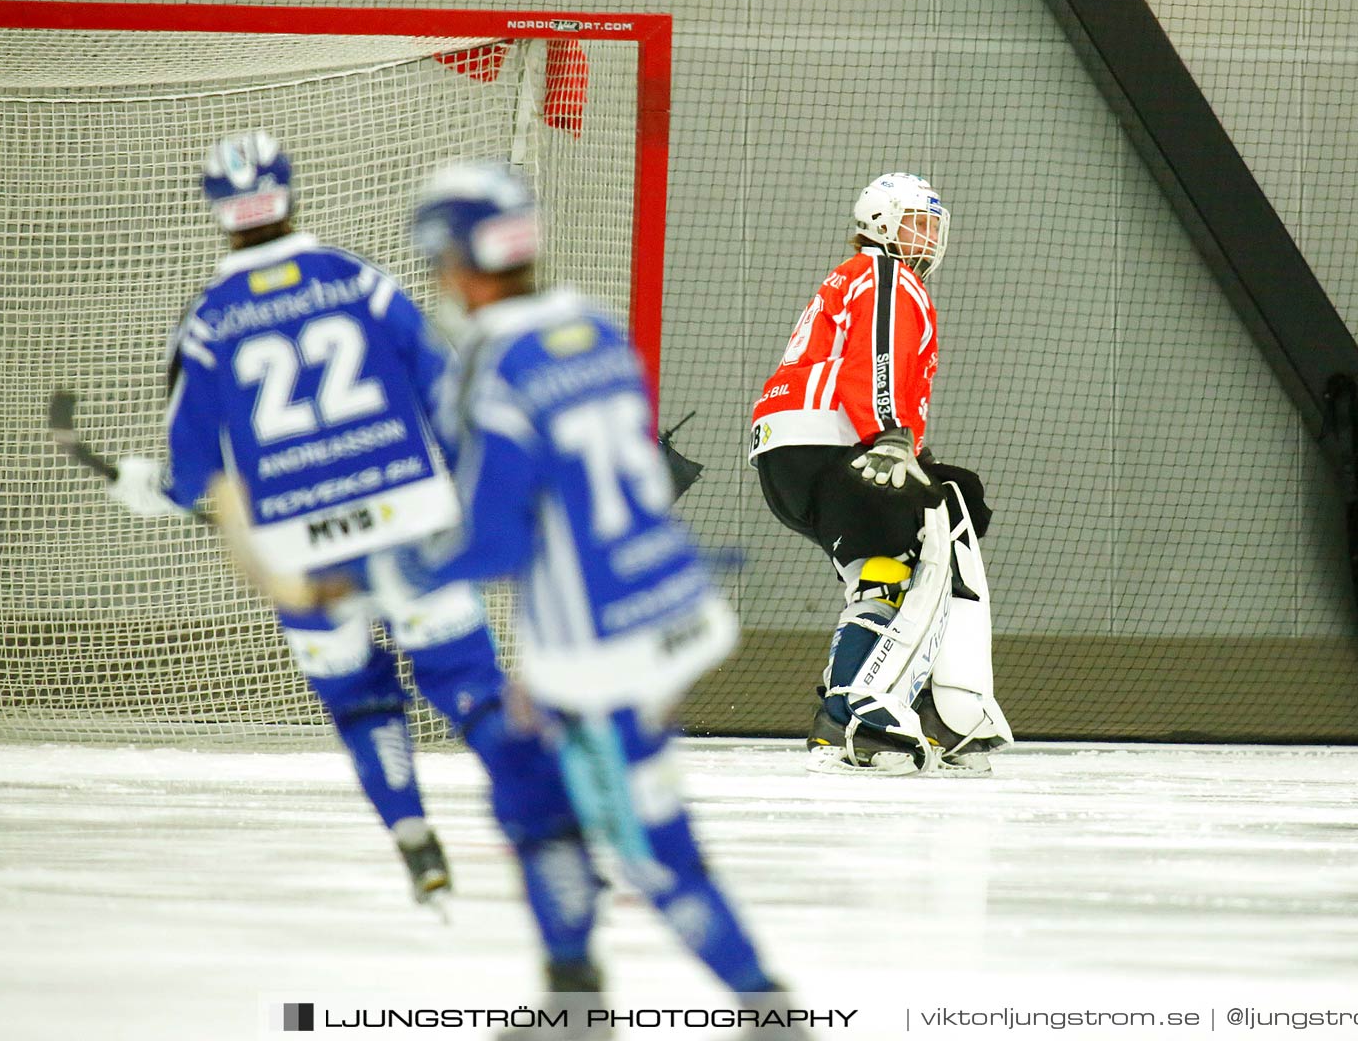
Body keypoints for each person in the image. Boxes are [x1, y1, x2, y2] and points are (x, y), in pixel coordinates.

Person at [347, 160, 795, 1034]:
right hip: (664, 606)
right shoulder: (591, 328)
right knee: (533, 797)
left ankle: (769, 1013)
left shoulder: (491, 360)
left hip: (602, 649)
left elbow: (498, 537)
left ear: (457, 258)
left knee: (648, 850)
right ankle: (571, 994)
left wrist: (399, 574)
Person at [103, 131, 570, 911]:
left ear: (218, 208)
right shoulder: (359, 281)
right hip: (409, 520)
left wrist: (152, 489)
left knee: (358, 697)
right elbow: (445, 388)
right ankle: (547, 826)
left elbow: (194, 473)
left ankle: (411, 832)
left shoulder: (210, 320)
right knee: (468, 682)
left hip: (300, 550)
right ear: (289, 192)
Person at [749, 173, 1012, 776]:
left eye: (934, 226)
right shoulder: (885, 274)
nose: (929, 238)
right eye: (917, 222)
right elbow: (878, 350)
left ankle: (847, 720)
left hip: (790, 455)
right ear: (880, 224)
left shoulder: (855, 278)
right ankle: (885, 711)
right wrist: (891, 434)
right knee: (945, 520)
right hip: (838, 440)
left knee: (881, 576)